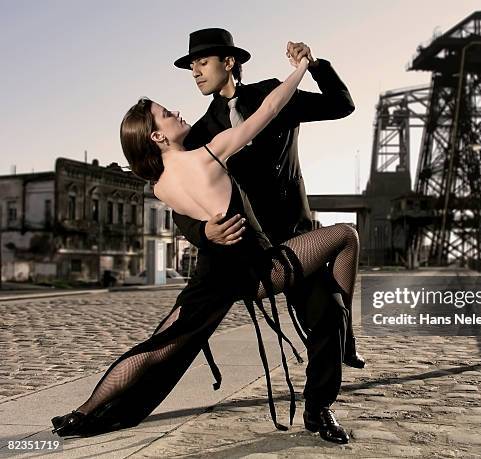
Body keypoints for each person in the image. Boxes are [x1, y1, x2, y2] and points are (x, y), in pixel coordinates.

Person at [50, 53, 358, 445]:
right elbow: (271, 107)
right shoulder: (209, 153)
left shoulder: (161, 186)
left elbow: (316, 106)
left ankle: (80, 415)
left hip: (212, 277)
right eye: (166, 114)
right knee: (347, 233)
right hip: (256, 270)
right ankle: (346, 330)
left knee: (155, 345)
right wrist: (300, 68)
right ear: (158, 137)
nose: (177, 112)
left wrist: (208, 229)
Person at [171, 28, 363, 441]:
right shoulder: (202, 133)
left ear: (229, 62)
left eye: (202, 62)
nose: (195, 72)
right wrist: (203, 231)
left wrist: (313, 66)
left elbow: (341, 105)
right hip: (255, 251)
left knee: (328, 313)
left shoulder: (274, 93)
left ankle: (319, 410)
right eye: (191, 65)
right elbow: (181, 199)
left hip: (302, 236)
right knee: (182, 331)